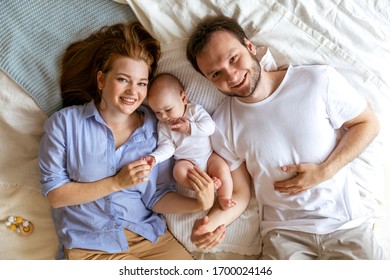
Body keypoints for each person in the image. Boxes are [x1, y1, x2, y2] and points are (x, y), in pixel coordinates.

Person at [185, 15, 385, 259]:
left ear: (250, 47)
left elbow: (368, 124)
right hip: (283, 236)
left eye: (233, 59)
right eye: (216, 74)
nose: (231, 76)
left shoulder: (317, 80)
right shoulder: (222, 124)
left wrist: (324, 171)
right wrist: (211, 223)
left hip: (345, 225)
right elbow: (240, 193)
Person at [38, 22, 215, 260]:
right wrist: (116, 183)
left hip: (151, 240)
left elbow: (156, 197)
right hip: (91, 247)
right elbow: (55, 195)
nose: (133, 91)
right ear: (101, 80)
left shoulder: (157, 126)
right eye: (123, 79)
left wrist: (199, 204)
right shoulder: (65, 124)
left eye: (141, 83)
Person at [145, 73, 236, 210]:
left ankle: (224, 197)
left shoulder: (194, 111)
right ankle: (203, 187)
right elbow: (167, 147)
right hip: (187, 163)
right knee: (178, 172)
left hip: (209, 157)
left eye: (168, 109)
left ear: (183, 98)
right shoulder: (163, 125)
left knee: (222, 168)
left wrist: (190, 128)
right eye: (157, 112)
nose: (164, 116)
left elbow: (210, 127)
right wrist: (155, 157)